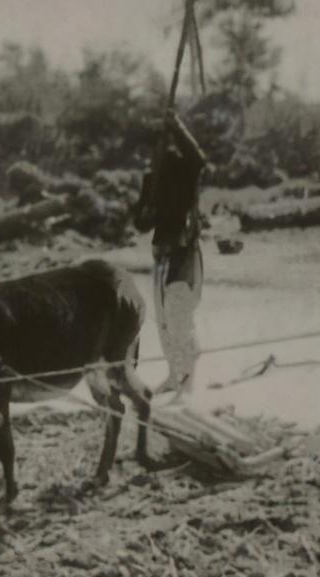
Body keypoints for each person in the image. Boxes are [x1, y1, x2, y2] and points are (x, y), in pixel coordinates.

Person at [132, 109, 208, 398]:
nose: (152, 154)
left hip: (183, 253)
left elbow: (199, 160)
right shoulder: (151, 177)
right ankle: (175, 376)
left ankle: (187, 382)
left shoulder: (182, 168)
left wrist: (176, 126)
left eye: (156, 146)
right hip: (161, 255)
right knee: (162, 321)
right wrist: (145, 212)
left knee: (179, 319)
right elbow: (141, 222)